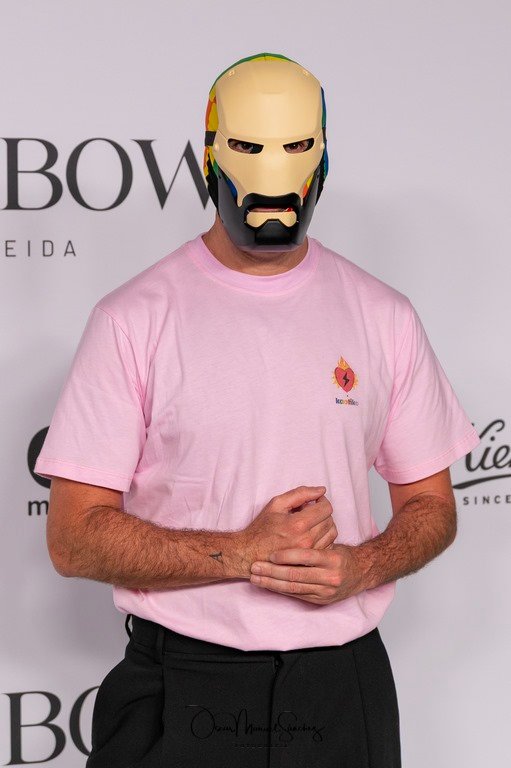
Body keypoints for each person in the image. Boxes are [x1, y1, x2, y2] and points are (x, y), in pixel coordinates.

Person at [35, 52, 480, 768]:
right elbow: (73, 539)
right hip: (182, 684)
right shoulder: (132, 319)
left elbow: (431, 505)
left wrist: (364, 565)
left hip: (341, 687)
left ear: (321, 165)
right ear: (209, 160)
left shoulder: (383, 315)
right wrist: (244, 553)